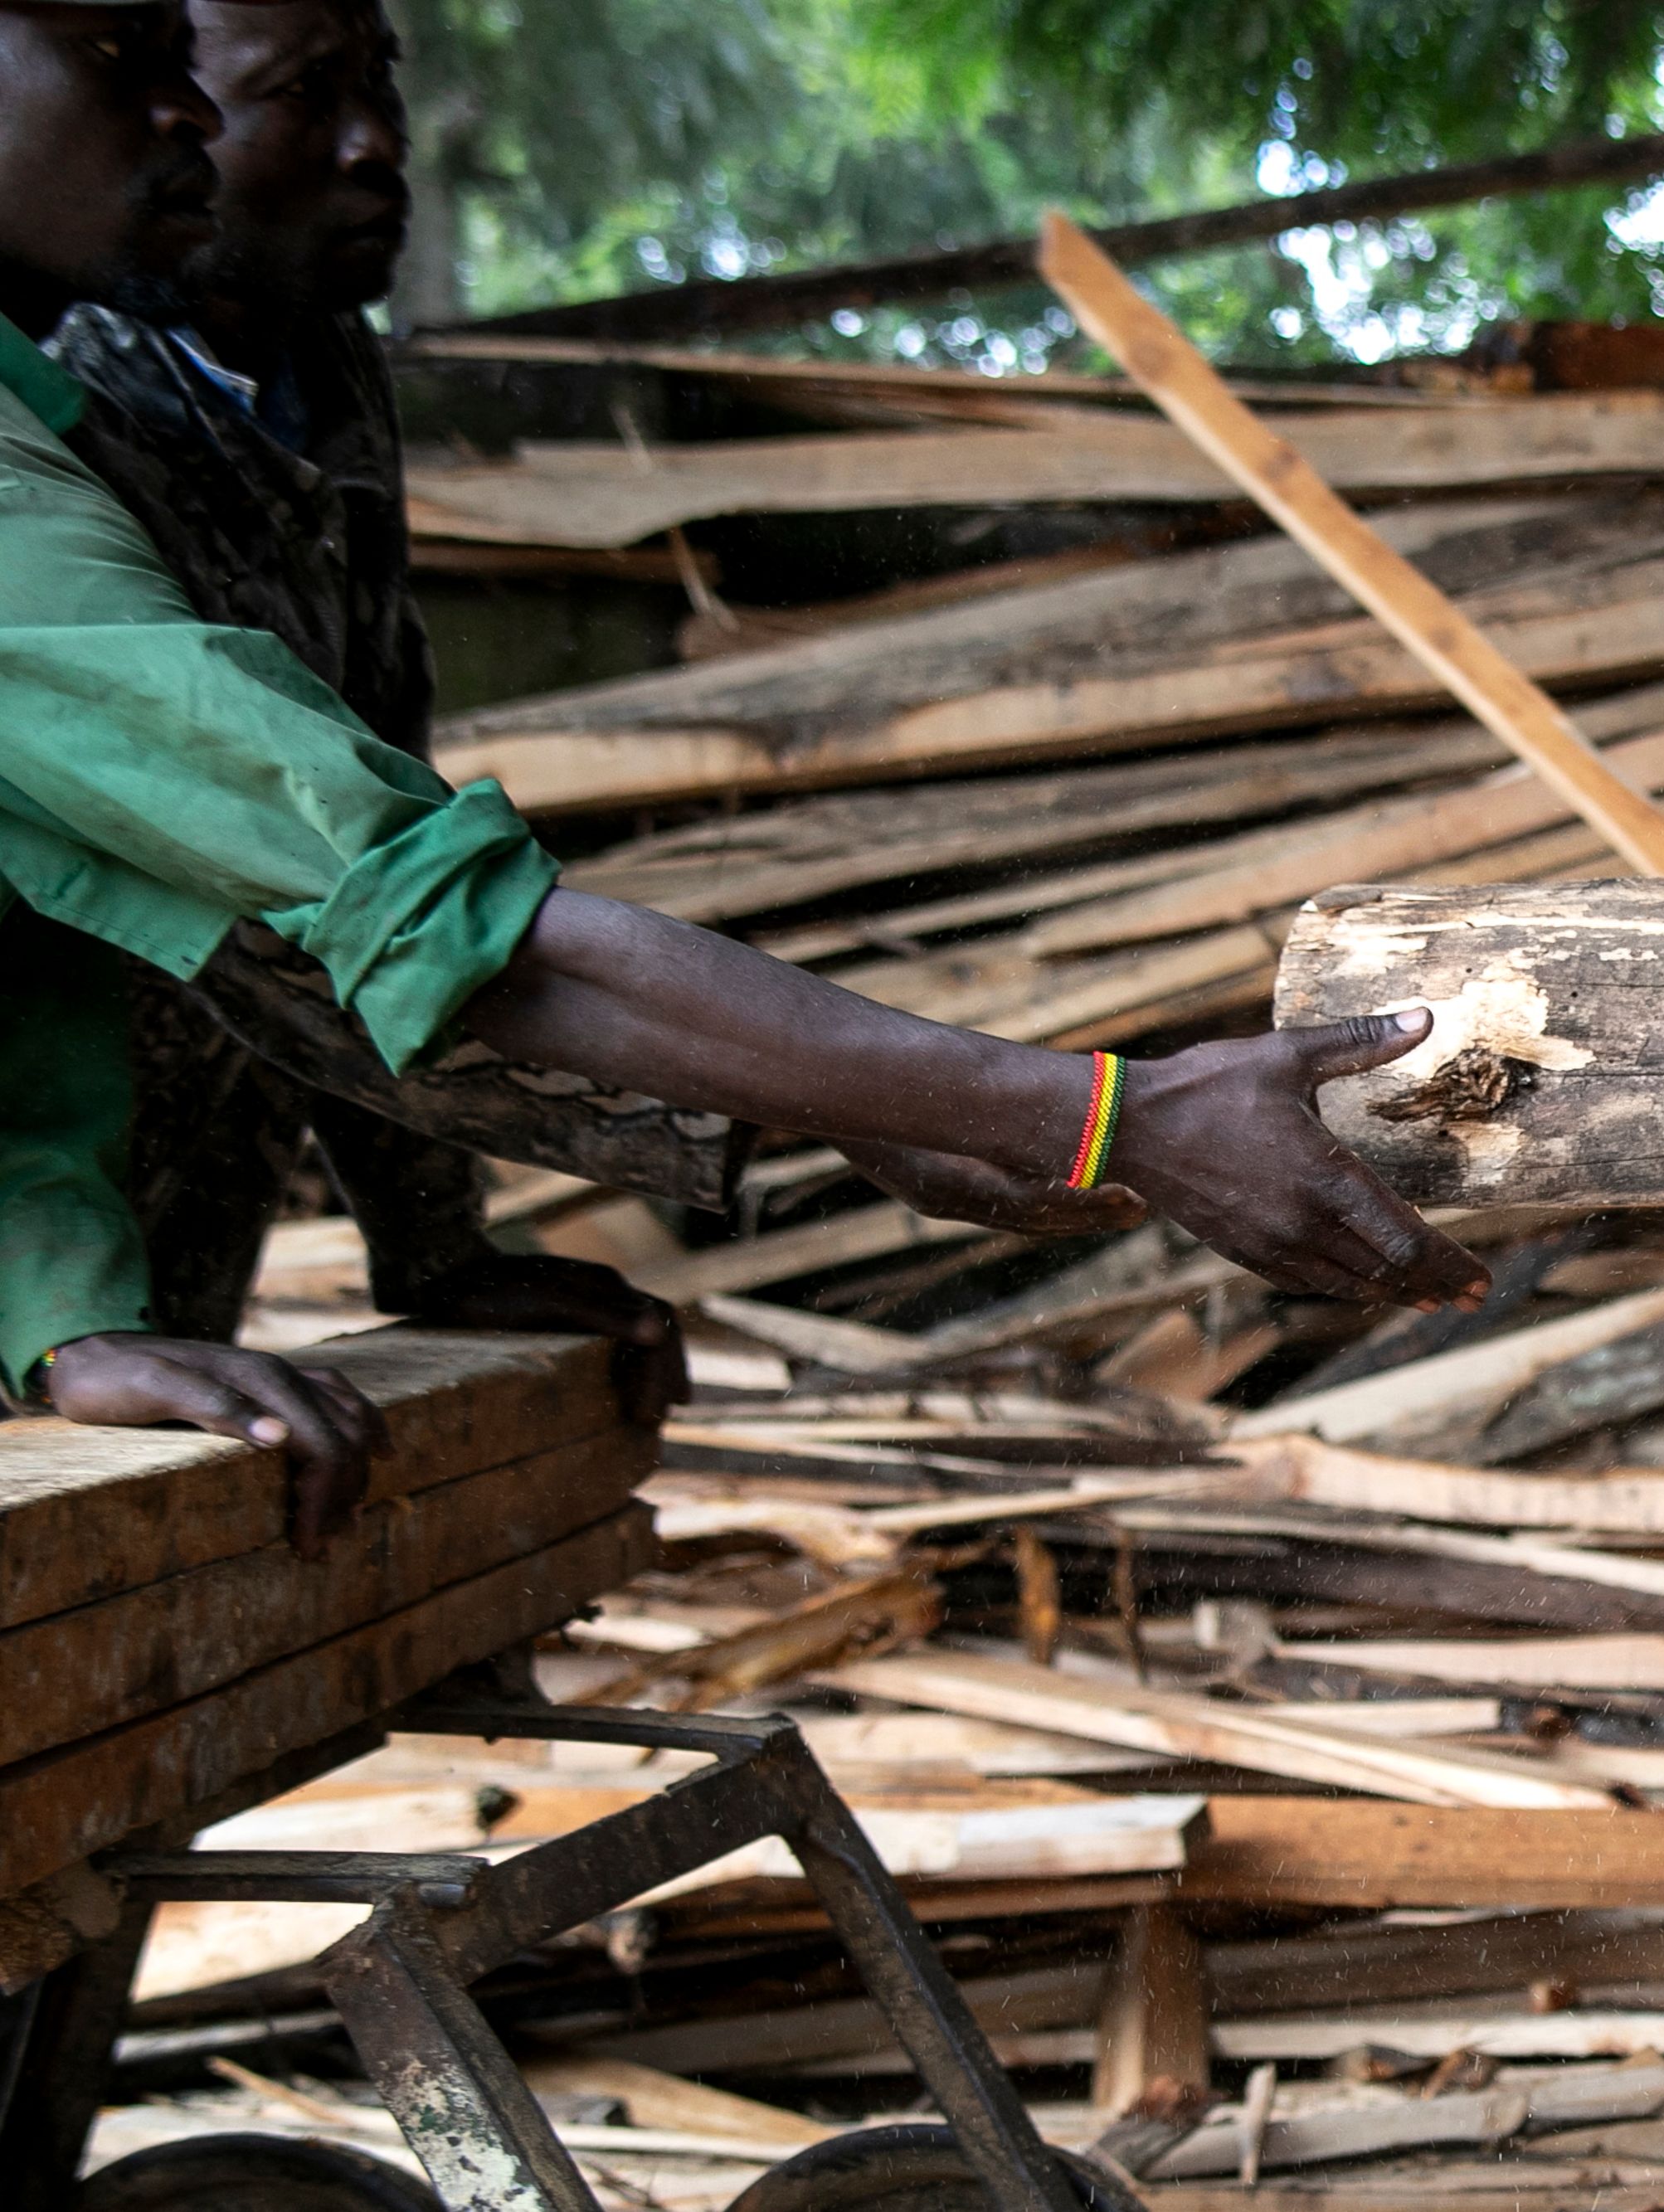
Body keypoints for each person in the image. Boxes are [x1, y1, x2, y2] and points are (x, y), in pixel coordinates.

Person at [0, 0, 1489, 1557]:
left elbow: (147, 932)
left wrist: (83, 1317)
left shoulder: (217, 393)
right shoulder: (50, 470)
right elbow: (409, 912)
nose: (183, 112)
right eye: (119, 51)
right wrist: (1109, 1116)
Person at [48, 0, 688, 1391]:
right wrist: (930, 1111)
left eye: (380, 84)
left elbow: (380, 793)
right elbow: (316, 881)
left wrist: (432, 1246)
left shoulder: (321, 366)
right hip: (48, 1260)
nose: (376, 144)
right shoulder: (59, 412)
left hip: (146, 1280)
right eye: (304, 92)